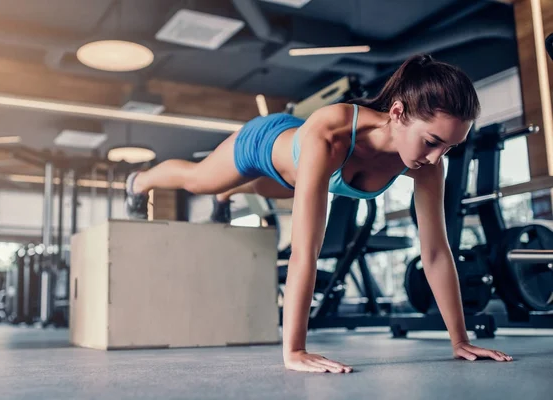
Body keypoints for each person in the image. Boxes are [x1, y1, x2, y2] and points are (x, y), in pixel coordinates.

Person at [124, 54, 513, 373]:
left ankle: (233, 190)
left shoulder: (428, 164)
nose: (435, 157)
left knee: (271, 187)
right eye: (432, 142)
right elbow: (304, 251)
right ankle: (139, 182)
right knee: (198, 180)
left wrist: (459, 339)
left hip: (295, 175)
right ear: (397, 112)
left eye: (449, 148)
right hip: (264, 144)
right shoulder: (331, 134)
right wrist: (294, 350)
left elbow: (435, 253)